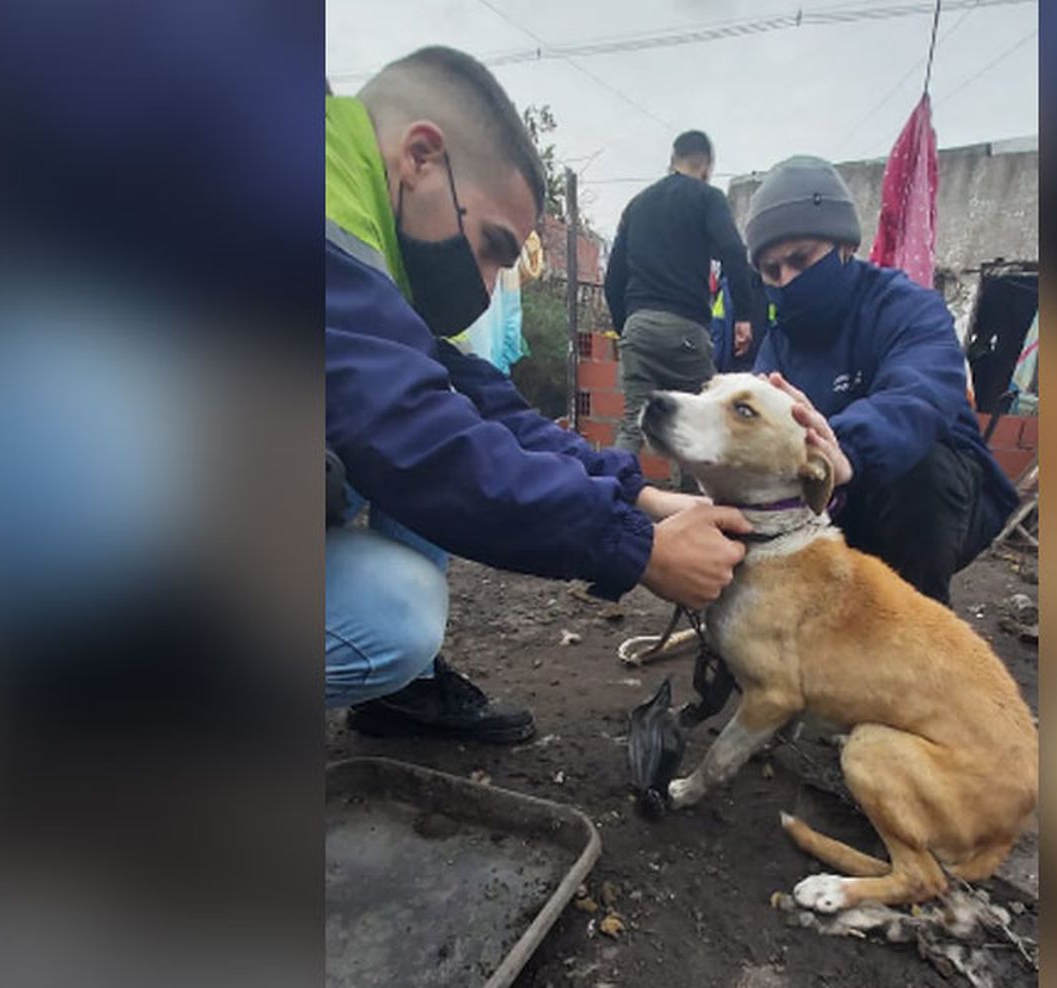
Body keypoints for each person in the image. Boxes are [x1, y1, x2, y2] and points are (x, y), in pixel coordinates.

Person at [326, 48, 749, 741]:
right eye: (493, 245)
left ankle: (406, 696)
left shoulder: (362, 229)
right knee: (392, 616)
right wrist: (639, 548)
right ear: (421, 157)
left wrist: (639, 495)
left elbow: (482, 408)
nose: (490, 286)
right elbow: (422, 444)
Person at [743, 156, 1019, 605]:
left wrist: (844, 449)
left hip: (935, 506)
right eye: (772, 271)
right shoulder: (779, 346)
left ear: (844, 246)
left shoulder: (908, 307)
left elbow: (921, 393)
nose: (787, 280)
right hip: (834, 506)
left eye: (800, 259)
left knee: (919, 472)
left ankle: (915, 639)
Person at [604, 130, 755, 453]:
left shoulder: (637, 205)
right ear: (707, 167)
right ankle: (701, 503)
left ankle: (604, 499)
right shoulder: (707, 197)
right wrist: (743, 314)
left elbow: (613, 278)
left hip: (638, 327)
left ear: (672, 160)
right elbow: (733, 250)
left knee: (633, 424)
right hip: (685, 330)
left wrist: (626, 329)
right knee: (700, 425)